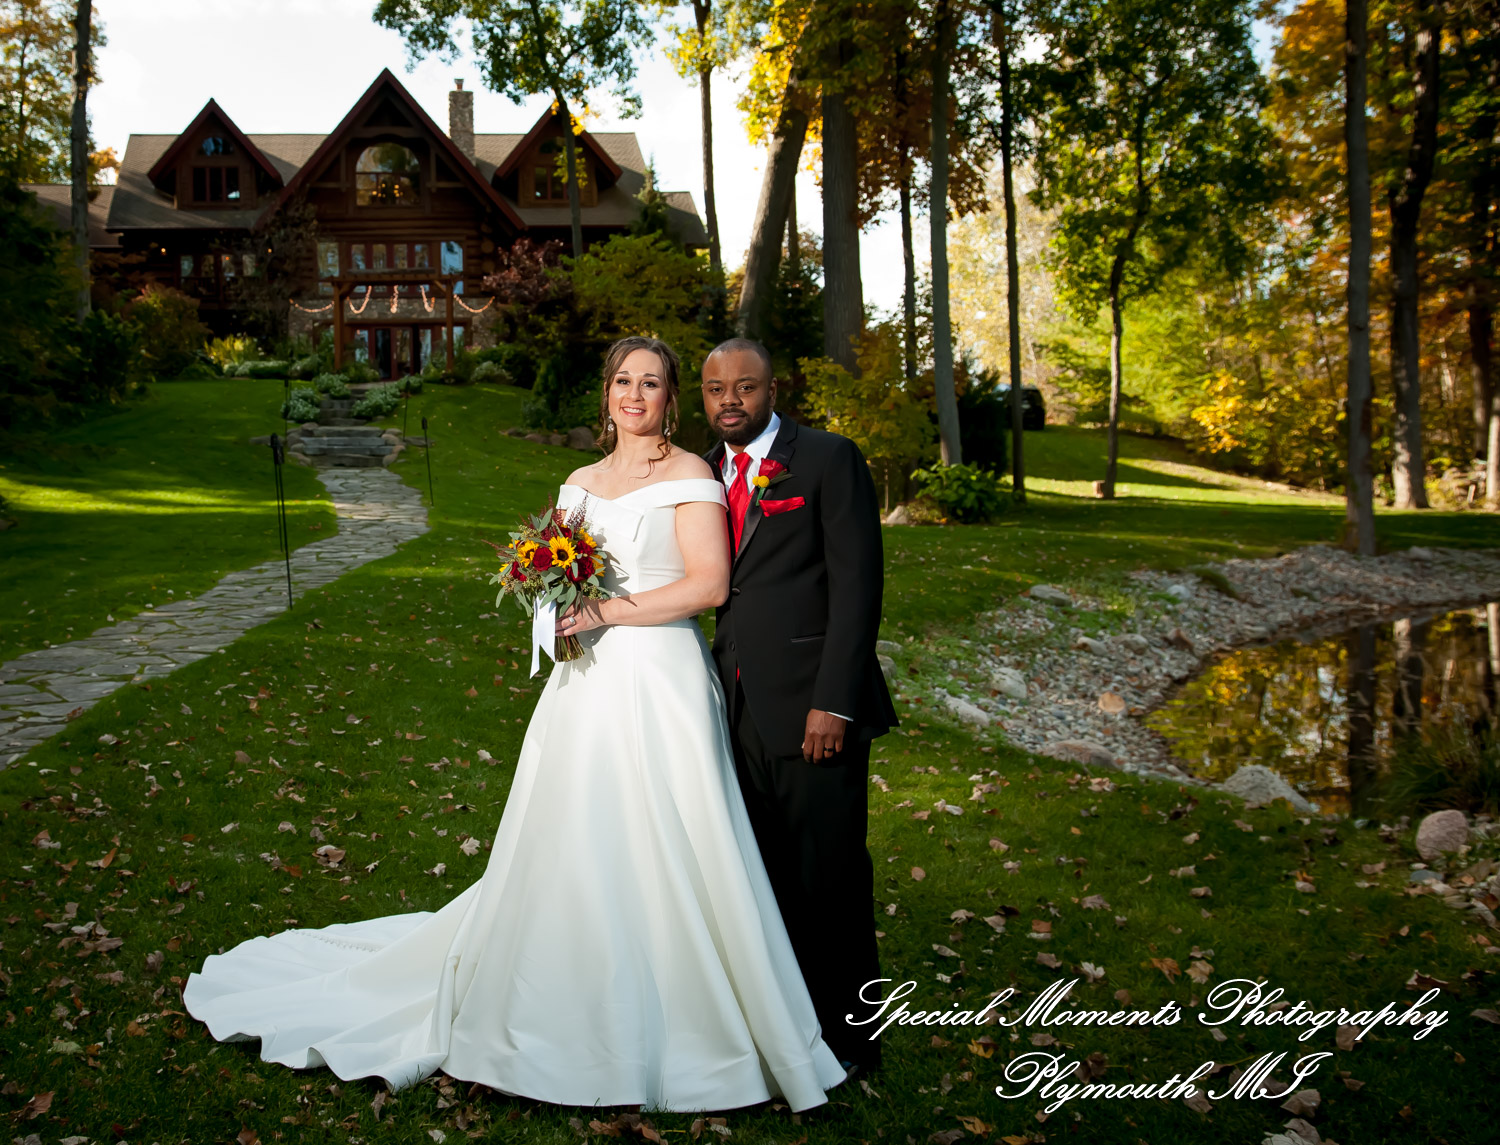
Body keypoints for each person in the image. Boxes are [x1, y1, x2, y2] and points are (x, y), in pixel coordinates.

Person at [182, 335, 847, 1113]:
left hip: (661, 680)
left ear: (671, 398)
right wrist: (554, 611)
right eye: (624, 381)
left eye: (654, 383)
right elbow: (554, 578)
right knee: (576, 836)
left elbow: (707, 586)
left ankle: (694, 1017)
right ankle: (557, 1003)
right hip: (588, 686)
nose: (636, 395)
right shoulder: (578, 482)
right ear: (606, 394)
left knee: (677, 836)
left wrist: (599, 609)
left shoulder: (691, 475)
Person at [700, 338, 899, 1076]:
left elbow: (858, 588)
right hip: (736, 702)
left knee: (833, 875)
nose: (731, 400)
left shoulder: (826, 458)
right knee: (768, 873)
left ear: (772, 389)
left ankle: (854, 1042)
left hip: (816, 704)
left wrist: (835, 702)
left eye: (745, 387)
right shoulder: (707, 469)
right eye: (717, 388)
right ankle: (792, 1028)